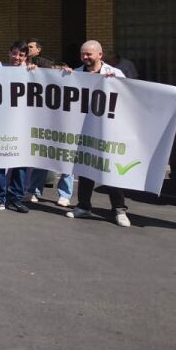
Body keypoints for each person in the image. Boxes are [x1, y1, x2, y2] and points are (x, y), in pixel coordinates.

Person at [65, 40, 130, 226]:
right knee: (85, 168)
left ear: (100, 55)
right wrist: (64, 76)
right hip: (84, 130)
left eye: (89, 54)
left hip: (107, 130)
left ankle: (119, 210)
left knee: (110, 170)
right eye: (82, 54)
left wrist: (116, 83)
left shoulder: (115, 73)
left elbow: (128, 96)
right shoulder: (77, 73)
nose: (85, 57)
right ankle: (83, 206)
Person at [0, 41, 30, 214]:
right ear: (9, 53)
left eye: (21, 55)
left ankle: (15, 199)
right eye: (14, 53)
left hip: (22, 125)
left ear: (26, 57)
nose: (16, 57)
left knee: (20, 164)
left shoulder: (31, 72)